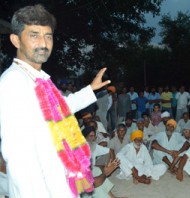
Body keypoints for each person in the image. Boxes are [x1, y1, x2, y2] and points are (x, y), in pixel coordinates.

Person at [0, 5, 111, 197]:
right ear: (16, 40)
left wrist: (90, 90)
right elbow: (17, 153)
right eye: (34, 35)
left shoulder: (39, 78)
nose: (43, 43)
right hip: (38, 188)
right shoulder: (14, 81)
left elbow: (60, 108)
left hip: (57, 175)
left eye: (48, 36)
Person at [81, 126, 121, 198]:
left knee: (97, 170)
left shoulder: (93, 146)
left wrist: (112, 163)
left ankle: (112, 196)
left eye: (94, 136)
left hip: (90, 170)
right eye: (90, 136)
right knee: (97, 183)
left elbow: (110, 150)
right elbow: (94, 183)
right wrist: (105, 173)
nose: (92, 138)